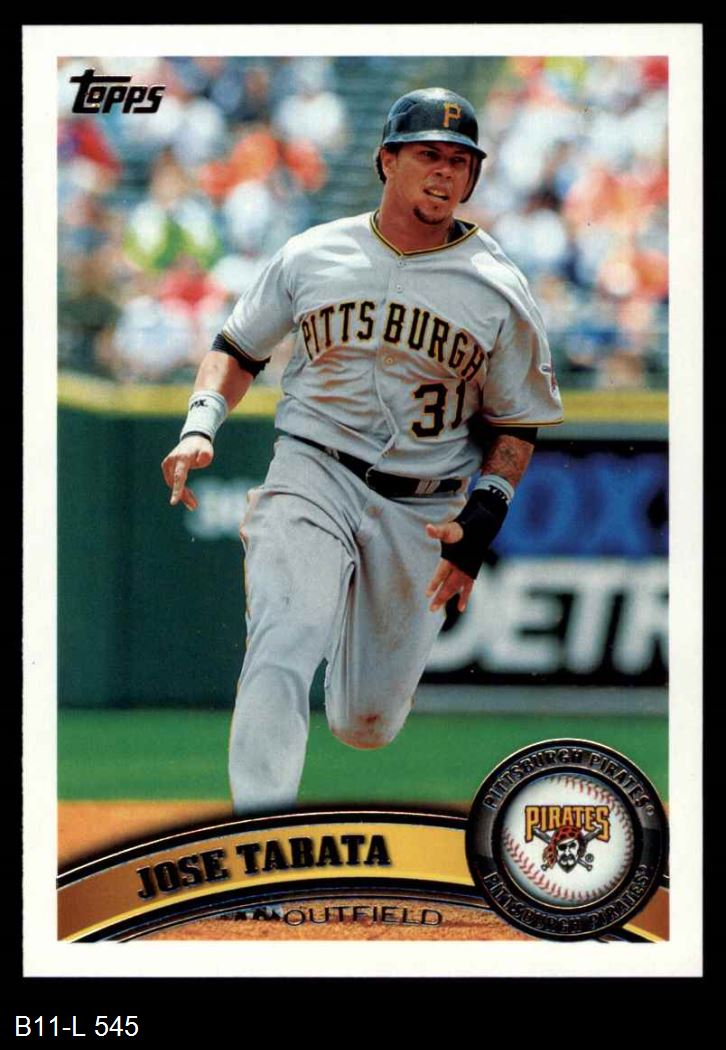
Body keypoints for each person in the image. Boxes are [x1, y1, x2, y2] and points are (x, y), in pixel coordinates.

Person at [161, 87, 563, 815]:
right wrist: (200, 423)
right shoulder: (314, 253)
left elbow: (517, 421)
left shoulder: (497, 287)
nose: (444, 172)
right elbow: (238, 347)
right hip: (313, 468)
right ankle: (259, 837)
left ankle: (355, 651)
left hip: (423, 502)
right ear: (386, 161)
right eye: (428, 155)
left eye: (460, 161)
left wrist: (485, 517)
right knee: (285, 636)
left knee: (365, 722)